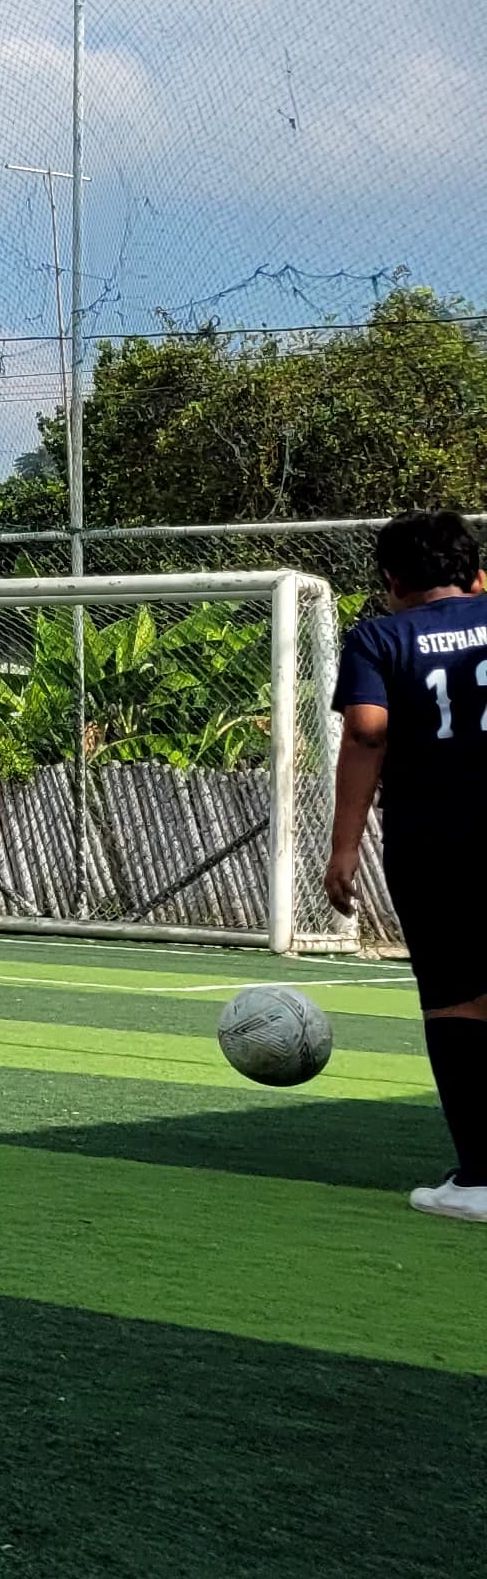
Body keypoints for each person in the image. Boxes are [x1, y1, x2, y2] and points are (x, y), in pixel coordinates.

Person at [322, 509, 487, 1225]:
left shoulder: (379, 637)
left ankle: (480, 1180)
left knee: (457, 1000)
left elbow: (367, 732)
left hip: (440, 837)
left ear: (391, 580)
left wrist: (344, 847)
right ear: (474, 573)